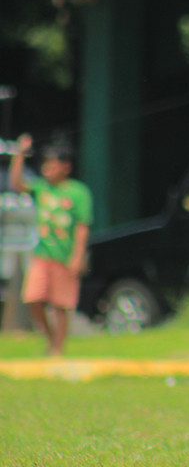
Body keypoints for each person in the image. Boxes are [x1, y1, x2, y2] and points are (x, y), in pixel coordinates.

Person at [9, 134, 93, 356]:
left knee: (60, 305)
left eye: (52, 164)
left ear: (66, 167)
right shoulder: (41, 188)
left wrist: (78, 256)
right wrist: (19, 154)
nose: (47, 168)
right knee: (32, 298)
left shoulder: (79, 192)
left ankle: (58, 348)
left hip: (64, 256)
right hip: (42, 255)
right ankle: (50, 338)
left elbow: (82, 227)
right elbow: (16, 184)